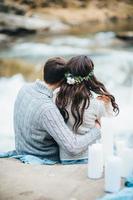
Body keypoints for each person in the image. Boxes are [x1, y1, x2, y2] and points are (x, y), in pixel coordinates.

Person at [14, 57, 101, 163]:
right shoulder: (48, 109)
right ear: (63, 80)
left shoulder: (25, 88)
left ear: (44, 71)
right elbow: (73, 147)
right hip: (43, 157)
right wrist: (97, 130)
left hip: (22, 149)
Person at [55, 55, 119, 164]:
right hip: (90, 157)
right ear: (90, 76)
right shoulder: (96, 103)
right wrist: (107, 105)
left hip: (64, 157)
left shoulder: (57, 96)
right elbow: (107, 126)